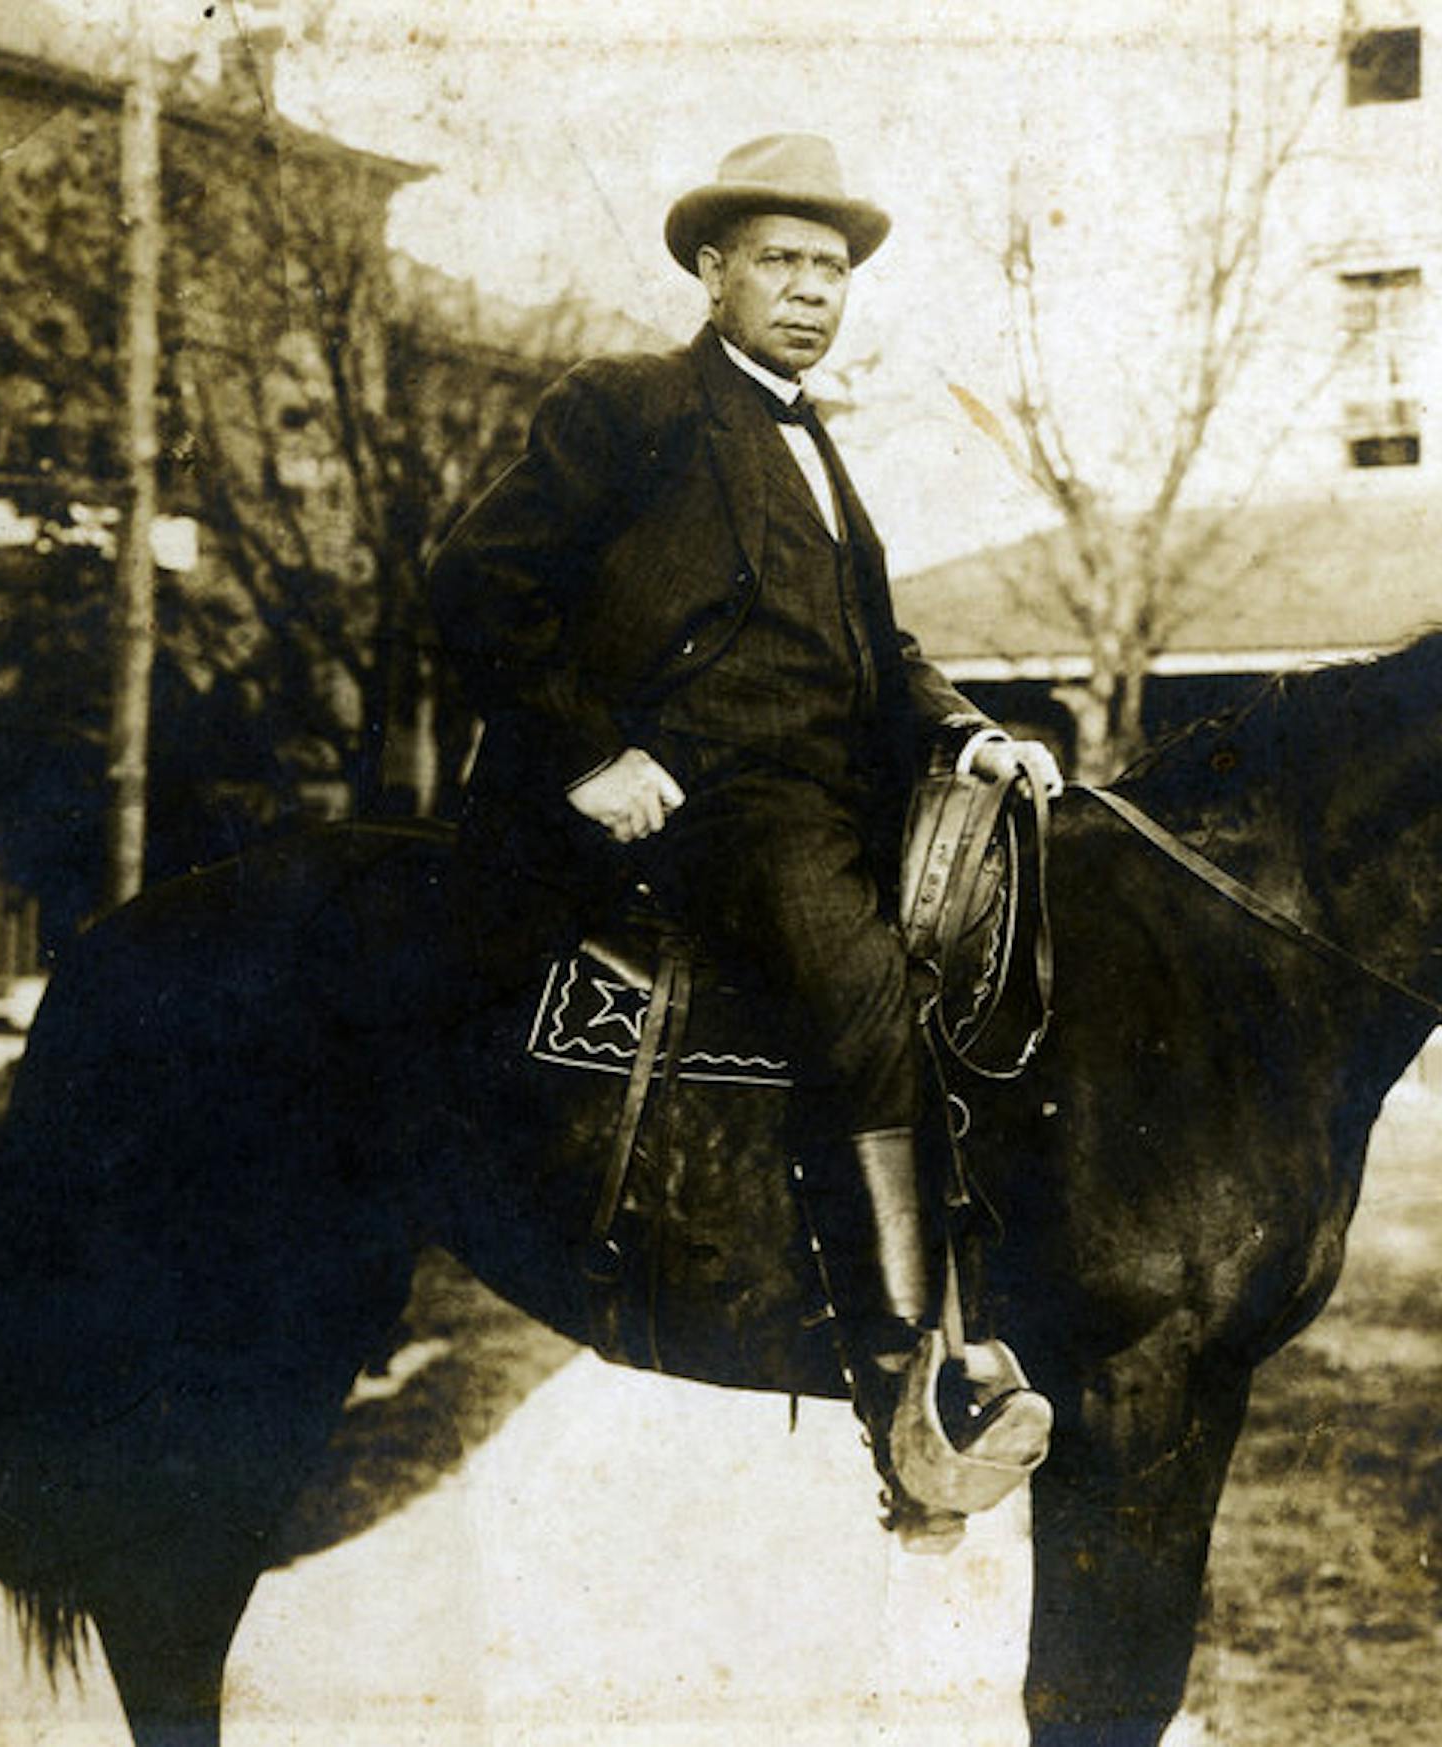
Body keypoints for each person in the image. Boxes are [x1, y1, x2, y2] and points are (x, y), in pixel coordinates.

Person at [428, 133, 1059, 1518]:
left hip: (838, 786)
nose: (812, 291)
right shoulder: (631, 406)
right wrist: (589, 755)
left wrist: (971, 732)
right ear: (712, 272)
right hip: (705, 801)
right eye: (780, 259)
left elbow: (874, 655)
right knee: (858, 982)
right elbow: (471, 585)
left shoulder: (823, 447)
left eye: (832, 269)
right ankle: (906, 1388)